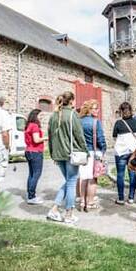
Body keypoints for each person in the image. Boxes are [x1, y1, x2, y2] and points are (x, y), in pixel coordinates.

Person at [46, 91, 86, 224]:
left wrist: (52, 153)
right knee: (71, 182)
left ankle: (55, 209)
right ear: (71, 101)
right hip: (71, 153)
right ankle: (68, 213)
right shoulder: (72, 115)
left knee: (69, 181)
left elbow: (50, 137)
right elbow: (79, 135)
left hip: (58, 154)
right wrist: (85, 150)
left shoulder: (54, 116)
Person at [79, 99, 106, 211]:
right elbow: (100, 139)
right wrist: (103, 149)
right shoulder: (96, 122)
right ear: (89, 109)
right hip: (93, 152)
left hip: (81, 152)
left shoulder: (79, 121)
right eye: (95, 108)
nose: (97, 110)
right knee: (93, 178)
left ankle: (82, 202)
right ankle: (89, 202)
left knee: (83, 178)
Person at [112, 102, 136, 205]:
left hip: (120, 151)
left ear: (121, 111)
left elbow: (114, 136)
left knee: (120, 174)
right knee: (132, 173)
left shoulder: (118, 123)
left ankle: (120, 198)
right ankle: (131, 197)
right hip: (133, 151)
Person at [24, 109, 46, 204]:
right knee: (36, 174)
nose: (42, 117)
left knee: (31, 174)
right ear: (35, 116)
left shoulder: (29, 125)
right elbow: (36, 140)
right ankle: (31, 197)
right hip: (36, 152)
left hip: (28, 150)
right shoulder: (35, 126)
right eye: (40, 116)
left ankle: (30, 194)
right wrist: (47, 137)